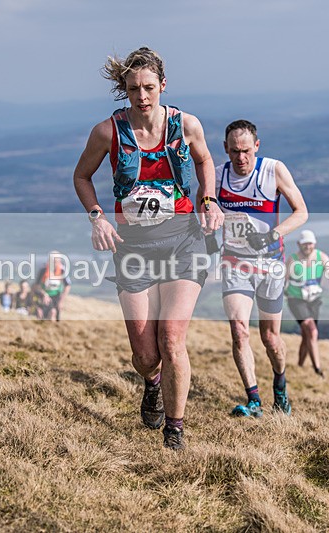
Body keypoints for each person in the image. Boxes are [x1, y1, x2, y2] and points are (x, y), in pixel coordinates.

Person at [73, 47, 223, 450]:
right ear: (124, 89)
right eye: (134, 88)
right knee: (145, 354)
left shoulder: (186, 124)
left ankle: (175, 429)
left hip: (183, 241)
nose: (142, 96)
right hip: (133, 247)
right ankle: (151, 383)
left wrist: (208, 200)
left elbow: (206, 161)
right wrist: (97, 217)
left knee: (172, 339)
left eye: (149, 87)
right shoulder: (108, 132)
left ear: (163, 85)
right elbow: (82, 176)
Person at [215, 120, 308, 418]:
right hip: (235, 263)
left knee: (270, 339)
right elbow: (202, 215)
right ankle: (253, 400)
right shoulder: (217, 176)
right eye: (233, 152)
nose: (240, 158)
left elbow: (301, 212)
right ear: (226, 149)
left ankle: (280, 385)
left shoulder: (273, 170)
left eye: (245, 151)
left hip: (270, 264)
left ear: (256, 146)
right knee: (240, 331)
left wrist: (271, 234)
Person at [285, 229, 329, 378]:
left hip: (314, 301)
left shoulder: (322, 258)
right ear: (298, 244)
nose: (308, 247)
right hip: (296, 300)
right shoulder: (293, 260)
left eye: (310, 244)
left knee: (307, 335)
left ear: (314, 244)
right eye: (304, 244)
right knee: (312, 331)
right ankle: (318, 370)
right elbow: (283, 280)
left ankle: (299, 366)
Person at [33, 251, 72, 321]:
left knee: (53, 313)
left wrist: (61, 301)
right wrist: (44, 294)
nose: (55, 263)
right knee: (39, 314)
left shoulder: (62, 270)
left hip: (56, 298)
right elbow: (36, 285)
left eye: (57, 261)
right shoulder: (43, 270)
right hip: (43, 297)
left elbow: (67, 286)